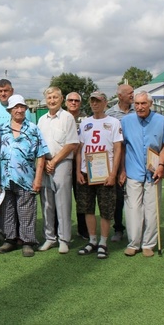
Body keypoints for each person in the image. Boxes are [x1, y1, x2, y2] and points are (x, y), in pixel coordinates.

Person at [0, 95, 49, 257]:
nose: (19, 110)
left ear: (25, 109)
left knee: (26, 210)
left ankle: (27, 241)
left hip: (26, 178)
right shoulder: (1, 128)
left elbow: (41, 155)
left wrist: (38, 178)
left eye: (21, 107)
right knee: (7, 210)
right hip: (5, 178)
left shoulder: (33, 129)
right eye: (15, 108)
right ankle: (10, 239)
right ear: (9, 110)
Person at [120, 91, 164, 257]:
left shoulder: (161, 120)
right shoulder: (126, 121)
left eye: (143, 104)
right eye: (137, 104)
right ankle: (134, 243)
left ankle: (148, 243)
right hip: (133, 171)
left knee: (152, 209)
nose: (140, 107)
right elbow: (123, 146)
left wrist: (161, 165)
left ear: (150, 104)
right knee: (133, 208)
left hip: (153, 172)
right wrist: (122, 170)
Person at [75, 92, 122, 260]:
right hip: (87, 172)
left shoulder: (114, 122)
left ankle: (103, 242)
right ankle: (92, 240)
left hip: (105, 173)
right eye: (92, 101)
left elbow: (117, 149)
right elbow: (79, 149)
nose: (95, 104)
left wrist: (114, 173)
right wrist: (78, 171)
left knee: (106, 209)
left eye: (98, 101)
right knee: (87, 208)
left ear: (105, 102)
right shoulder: (85, 122)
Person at [37, 87, 79, 254]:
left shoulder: (67, 117)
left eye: (55, 97)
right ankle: (49, 238)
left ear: (61, 99)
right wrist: (46, 163)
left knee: (63, 203)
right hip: (45, 164)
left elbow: (71, 144)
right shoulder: (42, 120)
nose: (52, 100)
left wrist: (54, 161)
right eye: (49, 97)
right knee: (46, 203)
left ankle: (64, 239)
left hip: (61, 163)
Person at [105, 84, 134, 242]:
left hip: (134, 160)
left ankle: (135, 228)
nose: (132, 95)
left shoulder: (138, 110)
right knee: (117, 198)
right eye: (130, 93)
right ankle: (118, 228)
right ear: (120, 96)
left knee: (135, 197)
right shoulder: (110, 114)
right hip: (116, 160)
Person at [66, 92, 88, 240]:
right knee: (61, 198)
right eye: (71, 100)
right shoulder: (60, 117)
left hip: (81, 164)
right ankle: (61, 230)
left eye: (76, 100)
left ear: (80, 103)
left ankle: (83, 229)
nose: (73, 102)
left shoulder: (86, 119)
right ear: (66, 102)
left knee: (81, 197)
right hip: (63, 161)